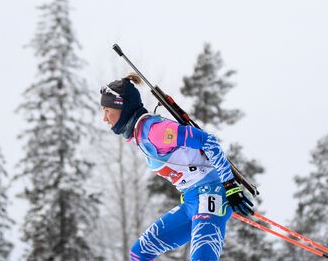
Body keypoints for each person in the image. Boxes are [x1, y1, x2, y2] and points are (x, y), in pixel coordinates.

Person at [100, 73, 254, 261]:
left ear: (122, 108)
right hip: (191, 202)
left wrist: (230, 186)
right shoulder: (141, 136)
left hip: (211, 195)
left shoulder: (156, 132)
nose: (104, 118)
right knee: (140, 253)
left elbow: (208, 142)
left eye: (107, 110)